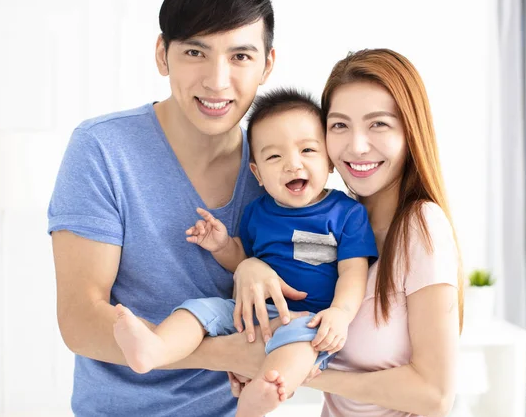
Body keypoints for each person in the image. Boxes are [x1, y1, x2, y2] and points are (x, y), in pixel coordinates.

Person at [47, 0, 305, 416]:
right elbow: (79, 319)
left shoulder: (281, 170)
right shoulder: (103, 149)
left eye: (240, 56)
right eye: (195, 52)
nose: (217, 81)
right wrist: (222, 354)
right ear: (162, 54)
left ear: (267, 65)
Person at [112, 89, 379, 417]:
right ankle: (156, 348)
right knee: (198, 311)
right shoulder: (257, 213)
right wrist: (223, 245)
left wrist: (340, 312)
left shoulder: (346, 214)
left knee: (303, 347)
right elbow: (244, 260)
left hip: (308, 320)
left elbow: (354, 272)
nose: (292, 164)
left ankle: (265, 392)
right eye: (274, 157)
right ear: (257, 174)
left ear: (330, 160)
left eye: (308, 150)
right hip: (249, 313)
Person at [229, 48, 464, 417]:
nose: (356, 146)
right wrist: (249, 267)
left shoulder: (422, 226)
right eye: (339, 125)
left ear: (410, 129)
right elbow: (292, 285)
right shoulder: (341, 222)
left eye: (379, 124)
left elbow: (434, 395)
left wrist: (297, 372)